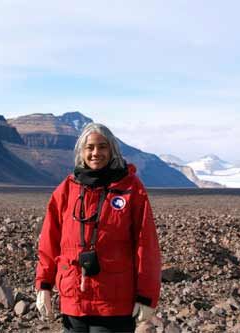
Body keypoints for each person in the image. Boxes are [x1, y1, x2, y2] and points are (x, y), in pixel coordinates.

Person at [35, 123, 161, 332]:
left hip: (114, 302)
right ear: (81, 152)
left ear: (112, 150)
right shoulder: (66, 189)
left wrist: (146, 295)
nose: (96, 153)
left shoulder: (130, 188)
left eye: (102, 147)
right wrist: (44, 285)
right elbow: (49, 242)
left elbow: (146, 244)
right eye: (90, 147)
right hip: (73, 298)